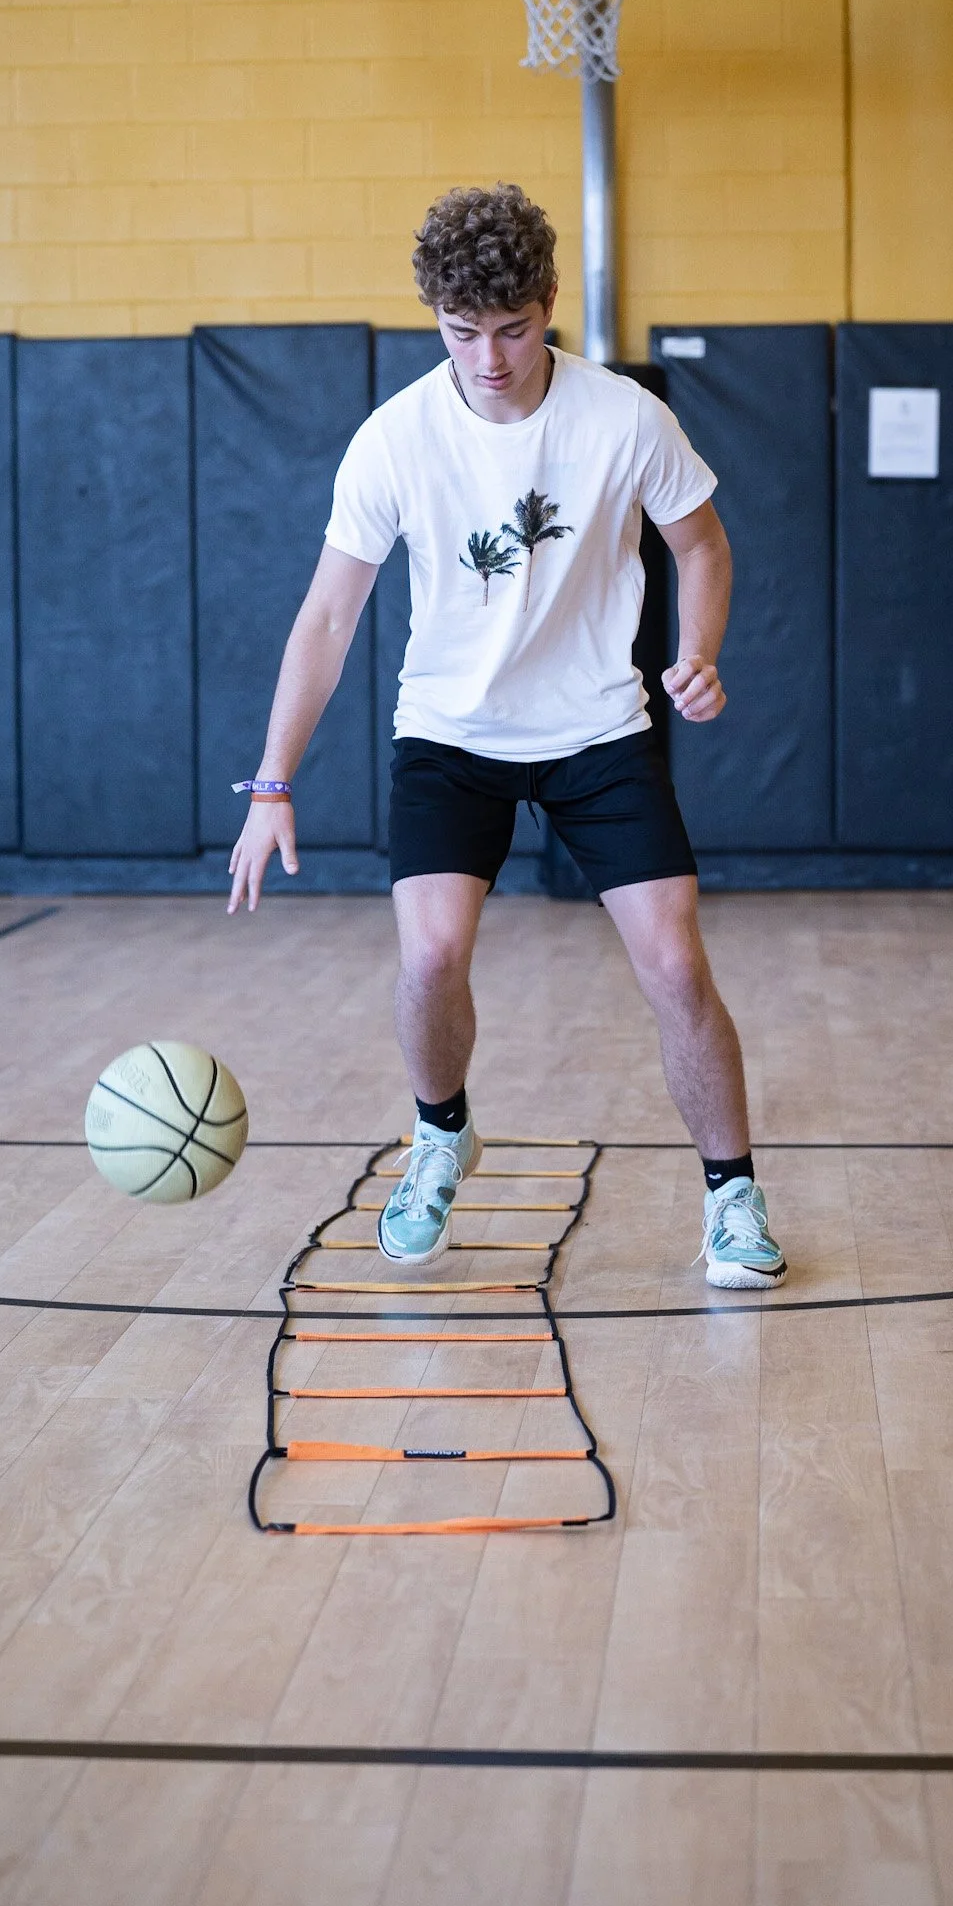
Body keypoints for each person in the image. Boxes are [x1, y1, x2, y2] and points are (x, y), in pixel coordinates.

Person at [228, 182, 785, 1290]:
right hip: (451, 731)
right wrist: (271, 782)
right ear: (434, 315)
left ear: (549, 305)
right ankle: (441, 1133)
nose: (489, 357)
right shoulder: (394, 440)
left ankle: (734, 1196)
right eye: (461, 331)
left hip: (598, 729)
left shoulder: (624, 417)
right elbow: (328, 616)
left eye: (514, 329)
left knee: (675, 965)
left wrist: (704, 650)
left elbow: (703, 546)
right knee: (430, 953)